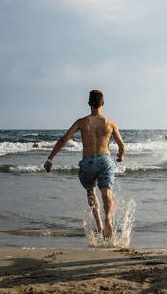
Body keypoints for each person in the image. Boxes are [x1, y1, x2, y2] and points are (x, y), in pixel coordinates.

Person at [43, 90, 125, 241]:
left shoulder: (81, 122)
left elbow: (63, 139)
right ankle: (108, 219)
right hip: (105, 160)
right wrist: (120, 156)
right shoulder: (110, 123)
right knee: (106, 192)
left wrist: (50, 159)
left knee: (90, 192)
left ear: (89, 104)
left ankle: (100, 226)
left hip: (87, 162)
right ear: (103, 103)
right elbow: (121, 145)